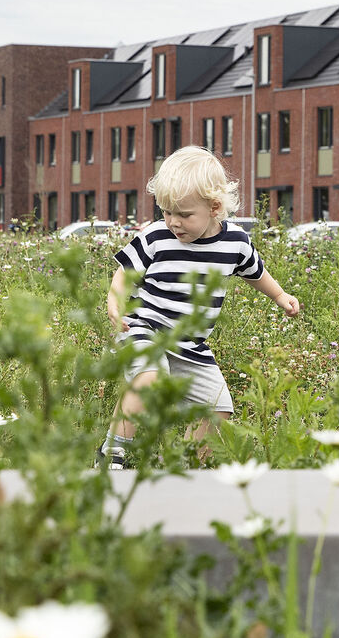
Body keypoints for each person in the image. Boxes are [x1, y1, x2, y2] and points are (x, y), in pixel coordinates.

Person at [97, 146, 301, 469]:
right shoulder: (156, 237)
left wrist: (279, 296)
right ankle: (112, 453)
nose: (173, 222)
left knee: (218, 406)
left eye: (184, 214)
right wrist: (114, 302)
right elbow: (124, 272)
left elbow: (256, 272)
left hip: (190, 344)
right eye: (166, 211)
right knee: (151, 377)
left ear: (214, 207)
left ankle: (178, 465)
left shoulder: (234, 242)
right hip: (143, 329)